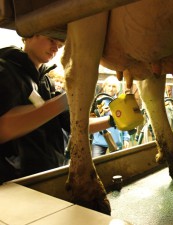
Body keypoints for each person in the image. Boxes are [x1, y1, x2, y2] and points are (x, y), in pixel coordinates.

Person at [0, 35, 114, 184]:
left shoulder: (47, 82)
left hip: (49, 176)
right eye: (52, 40)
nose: (55, 47)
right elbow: (4, 128)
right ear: (28, 34)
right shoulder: (4, 71)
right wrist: (69, 97)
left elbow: (73, 124)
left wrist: (113, 120)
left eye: (60, 44)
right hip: (16, 183)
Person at [92, 76, 130, 157]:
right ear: (105, 87)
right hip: (99, 140)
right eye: (109, 86)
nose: (111, 88)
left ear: (117, 88)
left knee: (116, 165)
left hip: (116, 140)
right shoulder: (97, 101)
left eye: (114, 86)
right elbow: (91, 120)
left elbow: (125, 121)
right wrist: (100, 112)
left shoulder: (120, 103)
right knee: (96, 163)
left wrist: (126, 138)